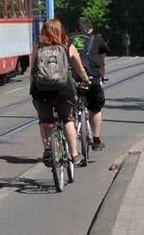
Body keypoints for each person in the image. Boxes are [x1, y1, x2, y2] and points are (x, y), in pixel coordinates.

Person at [31, 18, 90, 166]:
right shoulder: (68, 47)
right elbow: (80, 69)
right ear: (61, 31)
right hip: (64, 91)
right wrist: (86, 80)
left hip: (41, 91)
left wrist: (32, 90)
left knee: (44, 121)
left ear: (44, 32)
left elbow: (33, 71)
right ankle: (75, 154)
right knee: (67, 119)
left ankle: (47, 151)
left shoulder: (38, 48)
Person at [70, 18, 112, 150]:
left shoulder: (67, 38)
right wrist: (102, 76)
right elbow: (103, 62)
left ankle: (72, 141)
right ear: (91, 30)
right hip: (92, 77)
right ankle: (97, 140)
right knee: (95, 108)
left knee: (68, 110)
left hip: (72, 78)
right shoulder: (97, 39)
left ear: (75, 30)